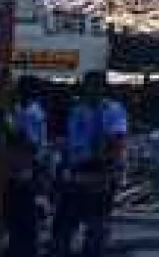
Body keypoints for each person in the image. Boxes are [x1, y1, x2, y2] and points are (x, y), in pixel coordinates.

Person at [50, 72, 127, 257]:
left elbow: (117, 140)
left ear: (103, 89)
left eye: (95, 87)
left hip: (101, 171)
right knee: (65, 222)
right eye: (88, 87)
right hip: (77, 170)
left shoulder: (113, 110)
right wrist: (63, 167)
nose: (90, 91)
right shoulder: (78, 110)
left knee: (96, 225)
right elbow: (70, 142)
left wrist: (109, 169)